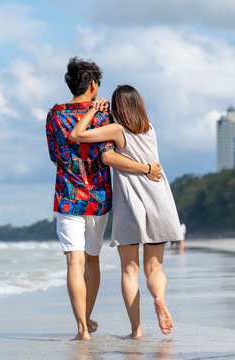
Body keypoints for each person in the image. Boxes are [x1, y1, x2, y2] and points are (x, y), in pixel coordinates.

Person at [45, 58, 162, 340]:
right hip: (98, 197)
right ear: (94, 85)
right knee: (92, 260)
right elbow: (109, 155)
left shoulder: (54, 115)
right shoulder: (103, 116)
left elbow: (54, 156)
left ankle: (82, 329)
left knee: (73, 263)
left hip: (67, 196)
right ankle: (86, 317)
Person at [69, 84, 182, 338]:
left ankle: (136, 330)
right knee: (154, 268)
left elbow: (77, 135)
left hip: (131, 204)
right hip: (160, 199)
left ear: (116, 107)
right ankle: (160, 299)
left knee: (129, 269)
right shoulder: (150, 129)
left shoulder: (116, 130)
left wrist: (94, 110)